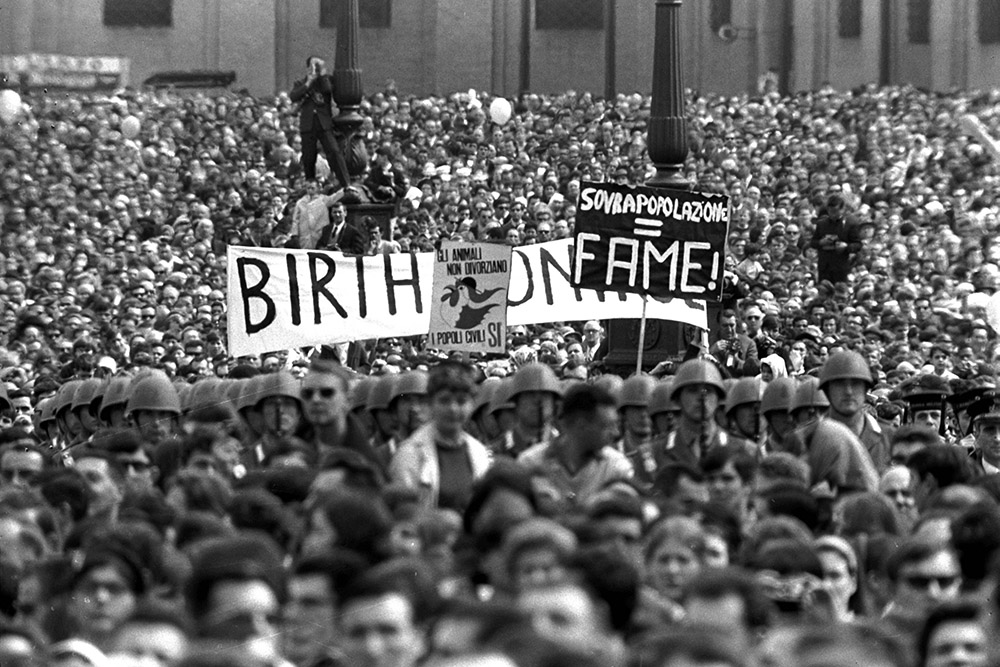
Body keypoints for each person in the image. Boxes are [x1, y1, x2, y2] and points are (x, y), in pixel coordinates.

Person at [289, 56, 350, 188]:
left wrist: (322, 74)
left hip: (324, 123)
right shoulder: (300, 83)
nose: (315, 68)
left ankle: (346, 183)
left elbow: (328, 90)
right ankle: (310, 185)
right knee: (309, 158)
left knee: (334, 151)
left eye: (318, 65)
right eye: (313, 66)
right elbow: (293, 96)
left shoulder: (325, 81)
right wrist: (308, 82)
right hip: (308, 124)